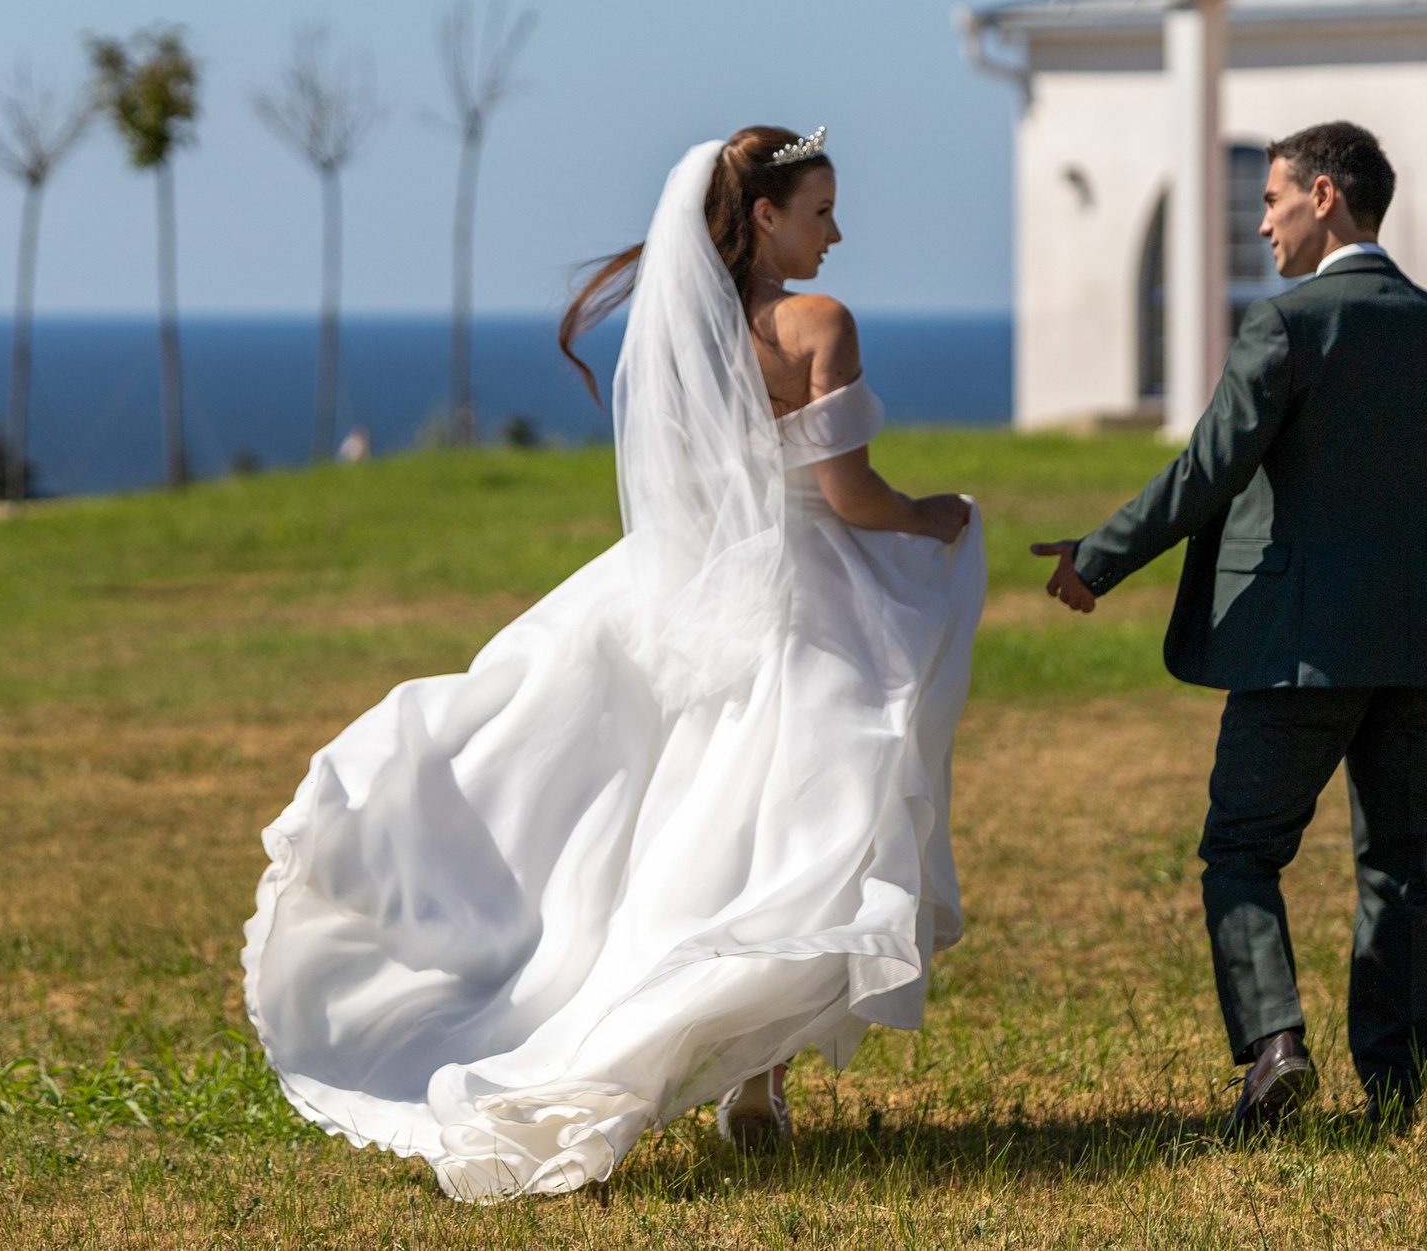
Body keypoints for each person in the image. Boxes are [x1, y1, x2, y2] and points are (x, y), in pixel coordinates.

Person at [243, 126, 983, 1200]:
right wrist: (935, 514)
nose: (835, 233)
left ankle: (725, 1066)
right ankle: (752, 1074)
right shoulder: (819, 322)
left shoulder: (683, 332)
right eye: (820, 212)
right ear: (765, 215)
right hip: (812, 594)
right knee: (805, 837)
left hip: (699, 589)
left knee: (701, 831)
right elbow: (849, 495)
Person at [1032, 120, 1427, 1131]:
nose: (1261, 225)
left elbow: (1207, 468)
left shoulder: (1287, 326)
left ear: (1323, 197)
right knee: (1397, 865)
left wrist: (1098, 558)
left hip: (1299, 653)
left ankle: (1274, 1049)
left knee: (1241, 850)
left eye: (1271, 199)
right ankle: (1395, 1094)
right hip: (1421, 651)